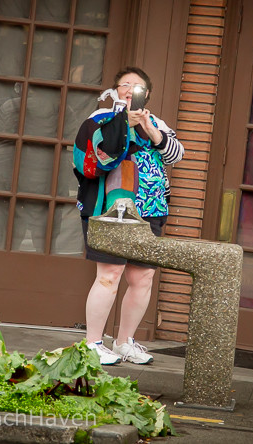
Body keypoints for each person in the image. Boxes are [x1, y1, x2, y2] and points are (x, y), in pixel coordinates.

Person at [73, 67, 184, 365]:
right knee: (110, 274)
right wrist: (124, 123)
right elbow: (95, 159)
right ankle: (92, 344)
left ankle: (124, 342)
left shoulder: (156, 122)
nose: (130, 89)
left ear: (146, 94)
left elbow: (176, 155)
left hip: (151, 209)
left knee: (142, 277)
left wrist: (149, 127)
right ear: (115, 91)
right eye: (125, 84)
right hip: (112, 208)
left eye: (137, 86)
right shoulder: (100, 118)